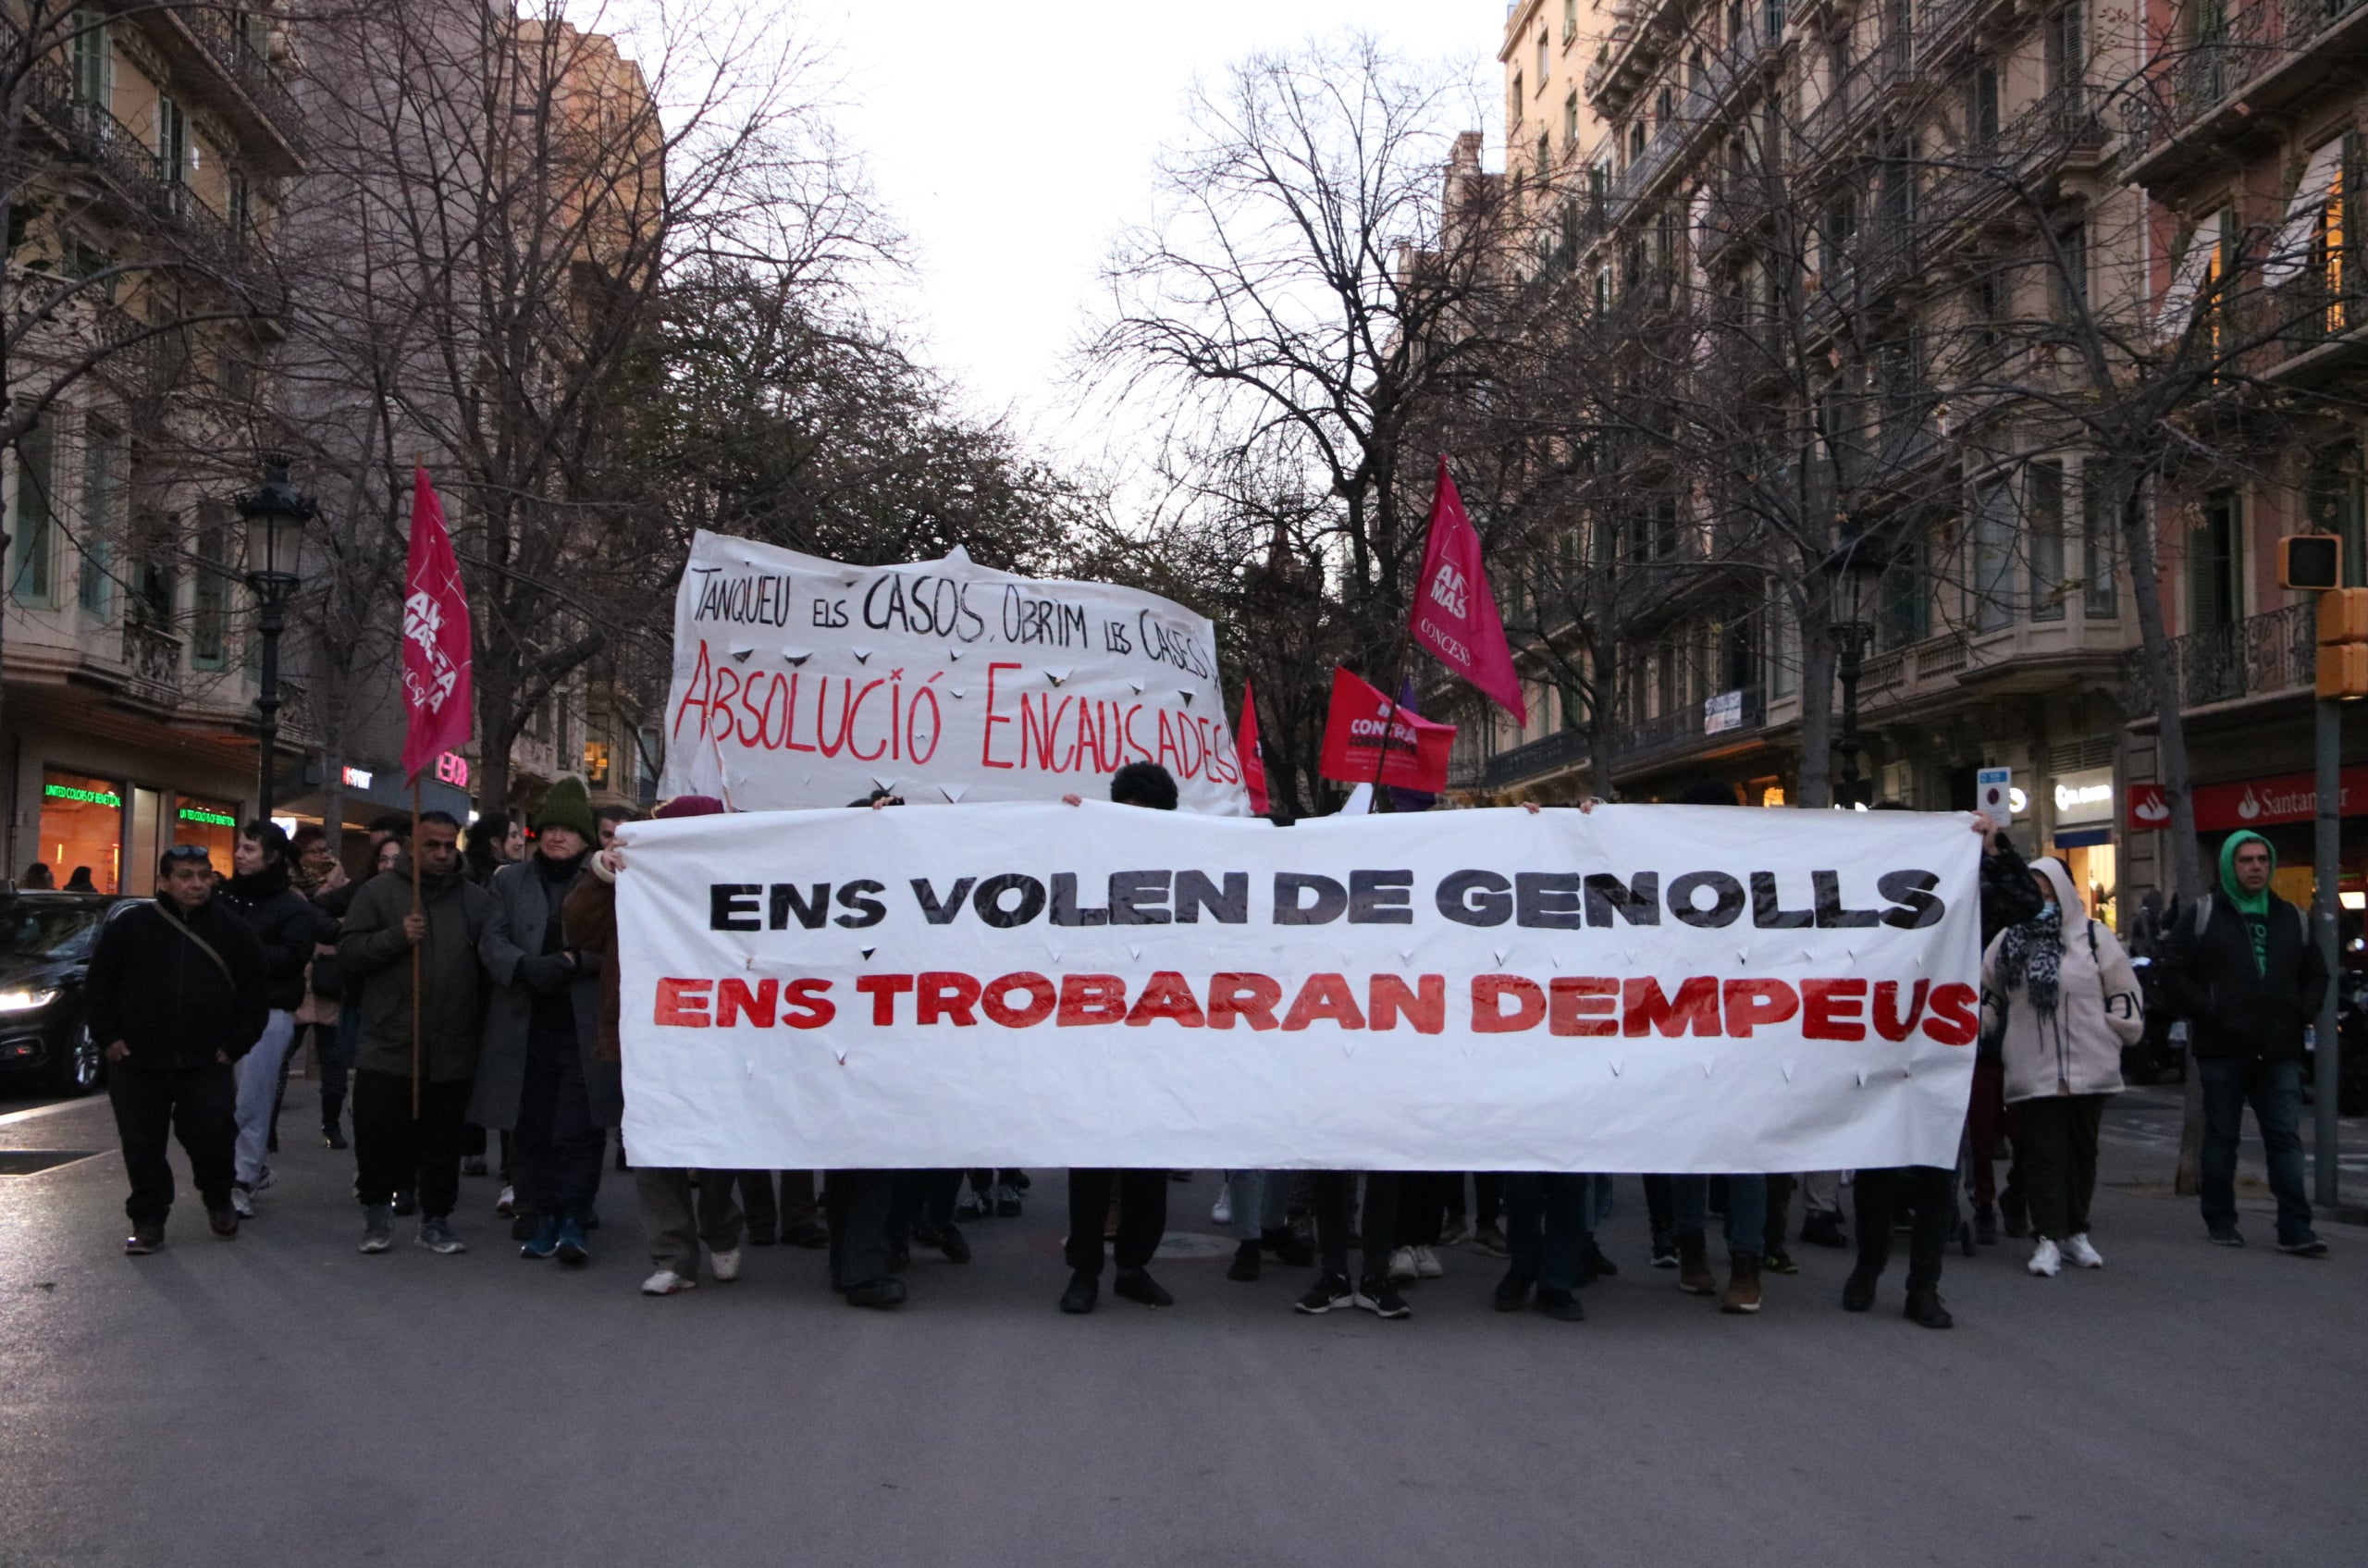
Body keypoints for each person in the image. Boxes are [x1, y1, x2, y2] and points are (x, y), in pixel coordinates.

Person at [568, 794, 756, 1296]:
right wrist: (602, 876)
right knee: (655, 1141)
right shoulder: (632, 881)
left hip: (723, 1029)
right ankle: (673, 1254)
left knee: (720, 1143)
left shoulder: (742, 880)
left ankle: (719, 1227)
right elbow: (579, 930)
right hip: (649, 1032)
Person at [88, 846, 270, 1253]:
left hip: (205, 1060)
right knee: (142, 1145)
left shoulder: (232, 929)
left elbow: (257, 992)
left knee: (213, 1135)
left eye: (204, 876)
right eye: (186, 876)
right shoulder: (132, 926)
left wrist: (234, 1045)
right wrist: (109, 1038)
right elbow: (99, 985)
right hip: (138, 1060)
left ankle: (218, 1197)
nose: (197, 885)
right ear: (164, 882)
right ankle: (149, 1219)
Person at [2161, 830, 2331, 1256]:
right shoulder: (2202, 914)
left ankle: (2296, 1228)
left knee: (2285, 1139)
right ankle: (2220, 1220)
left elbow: (2318, 973)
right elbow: (2174, 971)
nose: (2256, 867)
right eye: (2246, 860)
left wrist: (2301, 1010)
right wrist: (2209, 1008)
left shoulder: (2294, 917)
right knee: (2222, 1139)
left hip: (2279, 1049)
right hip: (2223, 1050)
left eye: (2262, 860)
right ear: (2229, 867)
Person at [337, 810, 494, 1255]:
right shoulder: (379, 894)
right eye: (432, 845)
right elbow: (348, 952)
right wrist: (395, 937)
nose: (443, 853)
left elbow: (489, 965)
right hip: (389, 1041)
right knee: (378, 1132)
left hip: (452, 1043)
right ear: (411, 846)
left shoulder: (476, 901)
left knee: (444, 1138)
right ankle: (376, 1211)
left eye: (450, 844)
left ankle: (438, 1218)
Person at [1056, 762, 1181, 1315]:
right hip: (1093, 1034)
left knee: (1148, 1166)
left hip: (1156, 1036)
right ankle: (1084, 1269)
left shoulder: (1186, 865)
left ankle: (1134, 1265)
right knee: (1090, 1161)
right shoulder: (1085, 859)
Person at [475, 779, 617, 1266]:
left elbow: (623, 945)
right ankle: (539, 1214)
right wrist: (523, 966)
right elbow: (490, 940)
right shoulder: (509, 881)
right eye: (549, 828)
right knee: (530, 1126)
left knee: (578, 1126)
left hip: (582, 1024)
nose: (557, 837)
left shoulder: (606, 879)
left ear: (584, 838)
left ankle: (576, 1214)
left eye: (568, 830)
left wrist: (580, 962)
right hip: (525, 1020)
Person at [1984, 856, 2141, 1279]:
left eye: (2049, 888)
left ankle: (2076, 1232)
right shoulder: (2008, 941)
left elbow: (2123, 988)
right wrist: (1982, 1025)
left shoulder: (2093, 937)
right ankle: (2049, 1237)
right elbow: (1989, 991)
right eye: (2035, 888)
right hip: (2033, 1067)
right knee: (2043, 1155)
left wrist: (2116, 1031)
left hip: (2090, 1063)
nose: (2044, 897)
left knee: (2081, 1153)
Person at [216, 822, 327, 1218]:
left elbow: (292, 957)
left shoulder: (292, 908)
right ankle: (251, 1166)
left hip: (267, 1013)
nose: (240, 855)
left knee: (251, 1099)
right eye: (239, 847)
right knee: (215, 1102)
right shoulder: (221, 898)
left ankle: (241, 1178)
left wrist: (242, 953)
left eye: (249, 848)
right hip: (218, 1012)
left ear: (272, 857)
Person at [463, 811, 524, 886]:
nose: (521, 843)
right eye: (513, 836)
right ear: (495, 842)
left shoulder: (523, 872)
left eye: (519, 836)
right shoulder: (467, 873)